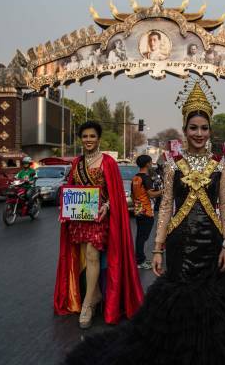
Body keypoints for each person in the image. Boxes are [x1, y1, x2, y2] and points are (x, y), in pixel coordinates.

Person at [64, 83, 225, 365]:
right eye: (193, 128)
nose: (199, 133)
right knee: (179, 298)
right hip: (178, 241)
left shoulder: (219, 164)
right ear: (185, 129)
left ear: (210, 130)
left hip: (211, 240)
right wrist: (157, 249)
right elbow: (167, 205)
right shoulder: (173, 165)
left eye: (204, 128)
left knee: (210, 300)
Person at [54, 121, 143, 329]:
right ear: (81, 139)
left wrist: (107, 206)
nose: (88, 140)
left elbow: (117, 195)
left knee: (93, 256)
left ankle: (87, 305)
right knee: (85, 258)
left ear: (98, 139)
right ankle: (95, 295)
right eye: (84, 136)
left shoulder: (108, 162)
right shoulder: (76, 163)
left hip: (99, 218)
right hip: (79, 218)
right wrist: (65, 207)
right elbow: (72, 188)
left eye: (92, 136)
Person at [132, 155, 163, 270]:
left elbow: (133, 195)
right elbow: (151, 194)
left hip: (138, 210)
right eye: (150, 162)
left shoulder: (135, 177)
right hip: (146, 211)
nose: (151, 165)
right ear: (147, 164)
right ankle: (140, 261)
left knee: (140, 236)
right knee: (143, 237)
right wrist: (163, 191)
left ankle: (140, 258)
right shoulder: (146, 178)